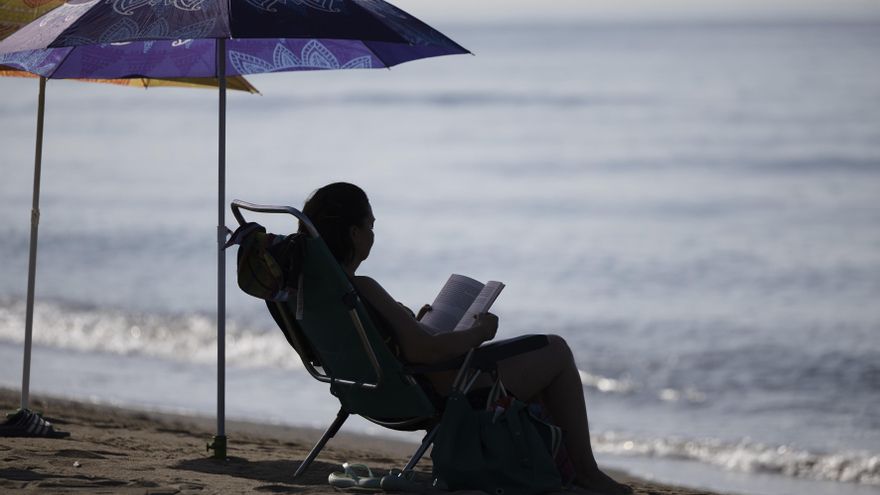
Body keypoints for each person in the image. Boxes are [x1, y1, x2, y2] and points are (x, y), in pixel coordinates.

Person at [300, 182, 631, 495]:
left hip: (370, 394)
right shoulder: (363, 288)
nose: (374, 234)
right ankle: (585, 472)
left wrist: (412, 324)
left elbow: (390, 347)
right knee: (555, 350)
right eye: (370, 226)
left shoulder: (318, 295)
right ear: (354, 233)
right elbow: (425, 350)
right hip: (440, 390)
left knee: (534, 361)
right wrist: (478, 332)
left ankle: (549, 467)